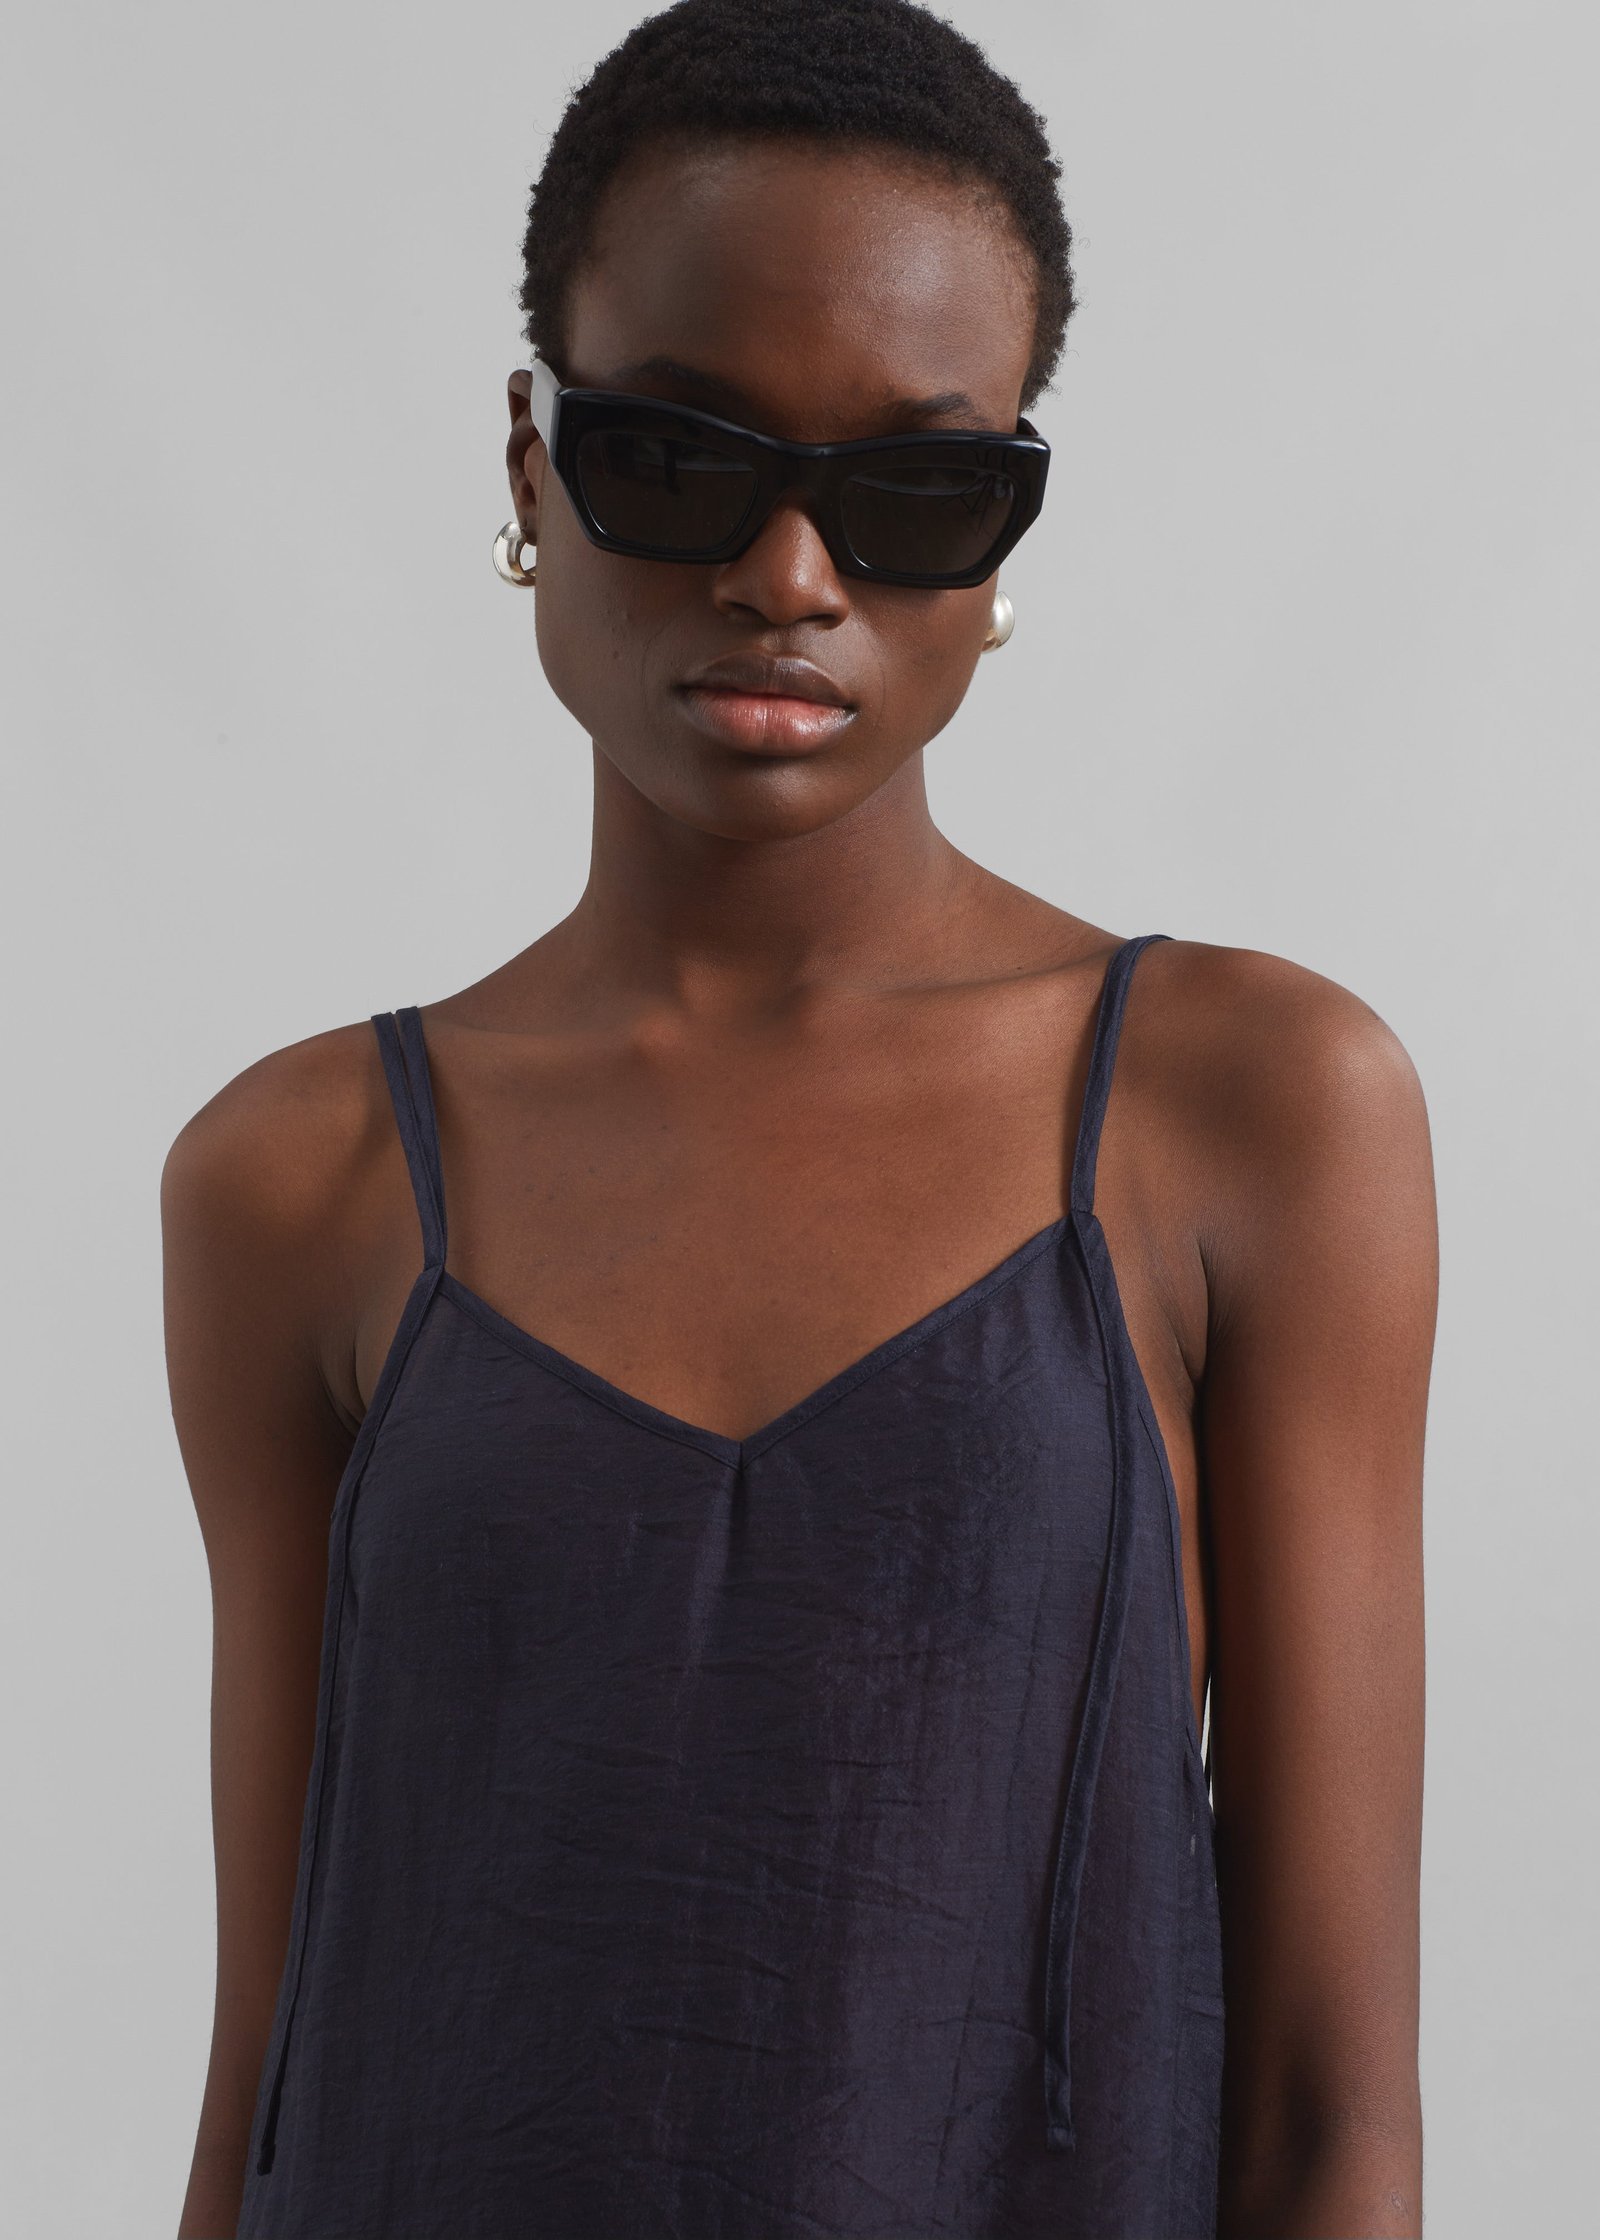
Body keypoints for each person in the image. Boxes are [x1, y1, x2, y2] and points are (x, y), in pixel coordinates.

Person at [166, 2, 1435, 2234]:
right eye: (676, 459)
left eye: (913, 492)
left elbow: (1333, 2110)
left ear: (1005, 529)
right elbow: (276, 2060)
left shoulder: (1246, 1108)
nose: (786, 574)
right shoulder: (298, 1173)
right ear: (529, 468)